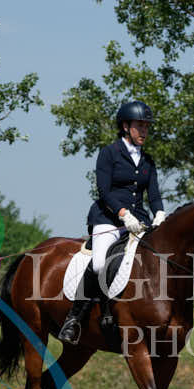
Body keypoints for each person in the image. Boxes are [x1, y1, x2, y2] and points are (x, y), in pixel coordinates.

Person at [58, 100, 167, 345]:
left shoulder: (148, 161)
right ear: (126, 126)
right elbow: (104, 191)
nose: (144, 131)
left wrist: (160, 213)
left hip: (139, 223)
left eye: (147, 126)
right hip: (109, 218)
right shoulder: (109, 153)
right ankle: (74, 318)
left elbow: (154, 195)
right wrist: (123, 214)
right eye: (140, 126)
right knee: (99, 264)